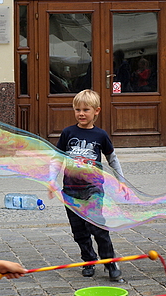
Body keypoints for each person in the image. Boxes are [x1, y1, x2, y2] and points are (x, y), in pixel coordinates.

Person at [48, 89, 128, 281]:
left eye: (86, 109)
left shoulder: (100, 135)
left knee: (97, 226)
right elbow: (57, 159)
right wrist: (52, 180)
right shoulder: (68, 133)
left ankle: (110, 262)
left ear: (96, 111)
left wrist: (121, 181)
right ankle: (88, 259)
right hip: (70, 190)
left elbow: (112, 159)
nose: (81, 113)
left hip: (93, 188)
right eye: (77, 109)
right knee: (79, 230)